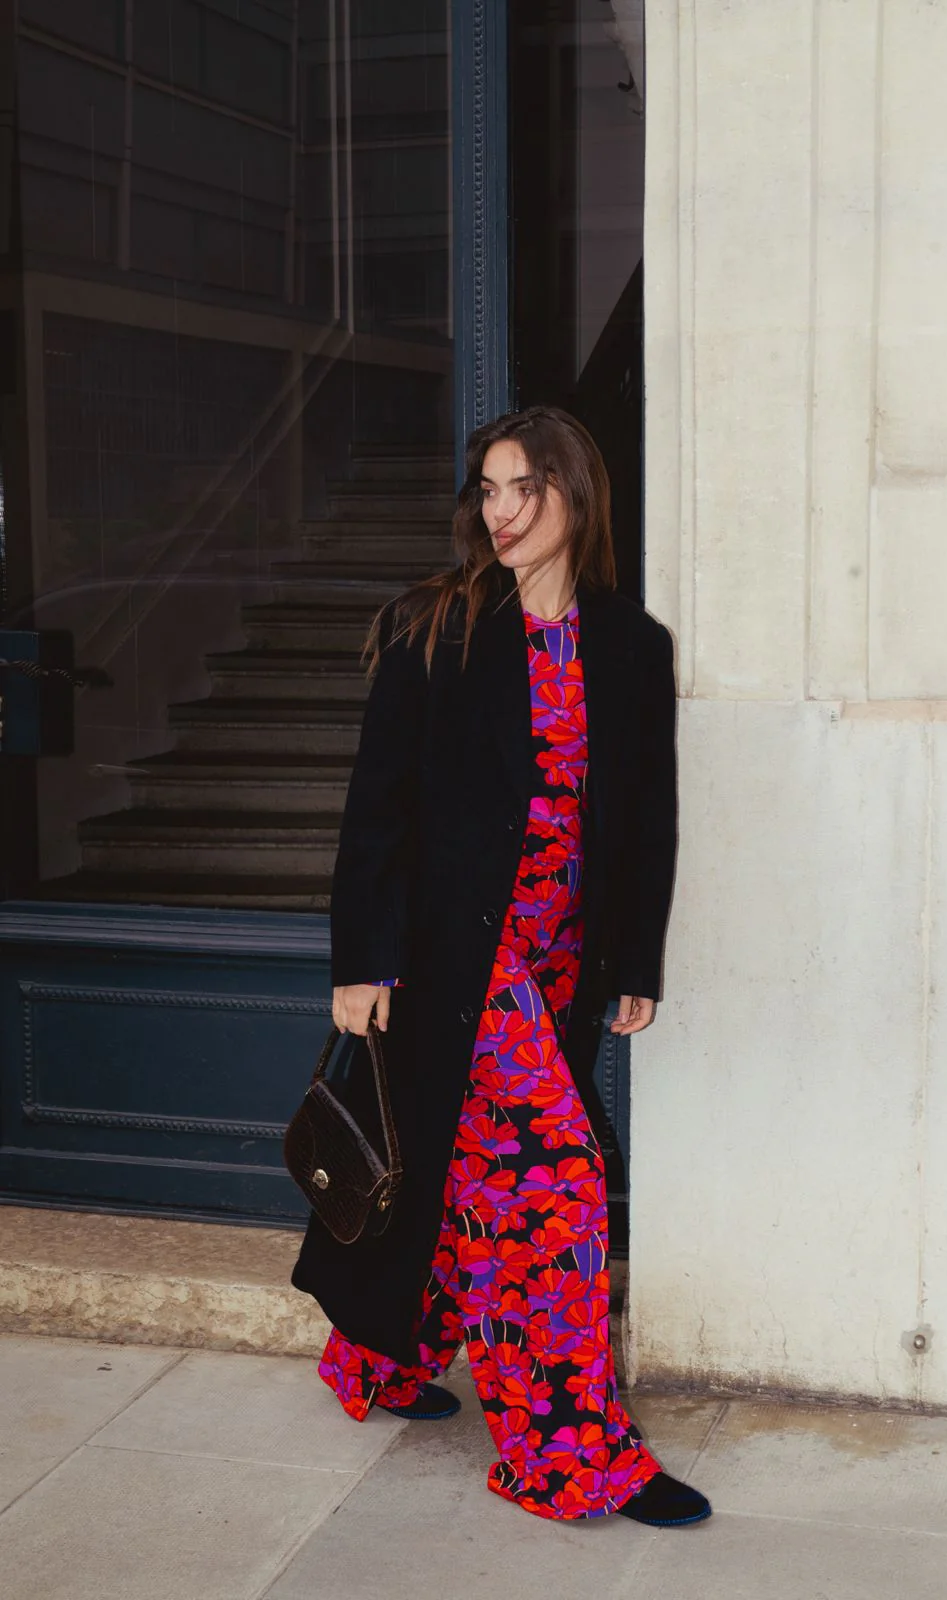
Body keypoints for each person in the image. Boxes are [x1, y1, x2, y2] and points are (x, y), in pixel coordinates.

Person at [292, 405, 710, 1528]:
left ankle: (373, 1360)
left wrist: (634, 957)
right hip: (454, 965)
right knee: (554, 1187)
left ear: (577, 492)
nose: (503, 511)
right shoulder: (437, 628)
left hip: (559, 966)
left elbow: (645, 821)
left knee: (455, 1167)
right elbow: (377, 809)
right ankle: (570, 1456)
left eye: (526, 487)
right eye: (488, 488)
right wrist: (363, 959)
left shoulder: (631, 645)